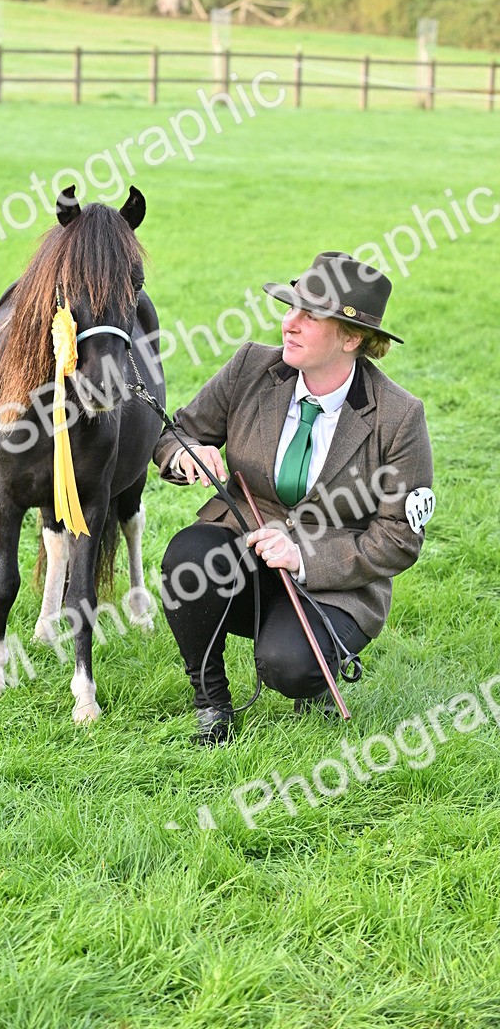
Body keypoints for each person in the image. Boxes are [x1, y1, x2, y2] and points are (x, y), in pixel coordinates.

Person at [153, 251, 434, 745]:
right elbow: (176, 434)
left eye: (310, 315)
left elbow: (399, 539)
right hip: (246, 550)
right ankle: (211, 702)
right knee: (188, 557)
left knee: (289, 666)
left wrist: (303, 556)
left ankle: (310, 657)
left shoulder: (399, 417)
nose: (290, 323)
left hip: (335, 580)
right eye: (290, 308)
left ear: (352, 338)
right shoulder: (250, 367)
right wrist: (186, 454)